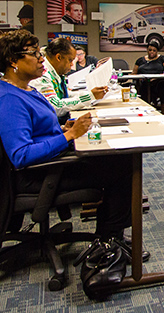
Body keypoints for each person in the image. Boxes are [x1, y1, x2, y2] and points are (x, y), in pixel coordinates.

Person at [0, 29, 133, 242]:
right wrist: (69, 135)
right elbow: (21, 155)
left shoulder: (26, 90)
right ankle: (108, 240)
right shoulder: (9, 98)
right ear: (12, 60)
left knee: (120, 158)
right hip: (38, 175)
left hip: (50, 162)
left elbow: (37, 129)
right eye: (34, 54)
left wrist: (60, 129)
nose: (41, 58)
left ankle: (110, 236)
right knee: (125, 166)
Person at [29, 38, 107, 124]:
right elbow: (55, 106)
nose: (72, 64)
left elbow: (65, 95)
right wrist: (89, 96)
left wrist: (90, 94)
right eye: (70, 60)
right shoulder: (43, 75)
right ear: (58, 57)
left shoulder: (54, 73)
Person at [132, 41, 164, 115]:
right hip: (144, 82)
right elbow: (134, 73)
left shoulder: (163, 59)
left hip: (159, 82)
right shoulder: (140, 60)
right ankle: (145, 111)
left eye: (154, 50)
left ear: (157, 51)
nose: (152, 52)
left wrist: (156, 78)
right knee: (144, 86)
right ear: (147, 50)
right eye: (150, 50)